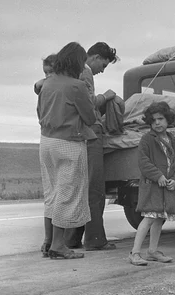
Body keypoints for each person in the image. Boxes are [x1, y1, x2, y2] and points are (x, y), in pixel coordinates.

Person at [37, 42, 96, 259]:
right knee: (67, 192)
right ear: (77, 63)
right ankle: (59, 246)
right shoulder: (76, 86)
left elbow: (39, 112)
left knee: (51, 192)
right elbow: (90, 117)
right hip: (69, 143)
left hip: (46, 142)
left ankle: (47, 241)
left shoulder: (47, 83)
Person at [64, 42, 122, 251]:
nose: (102, 70)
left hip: (73, 134)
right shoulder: (86, 72)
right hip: (91, 133)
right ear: (95, 57)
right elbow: (88, 103)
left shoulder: (69, 72)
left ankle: (72, 238)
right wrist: (106, 97)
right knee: (95, 188)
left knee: (80, 187)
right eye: (104, 65)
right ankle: (95, 239)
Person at [129, 102, 175, 266]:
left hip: (167, 187)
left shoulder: (173, 140)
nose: (157, 123)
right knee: (149, 218)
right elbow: (144, 163)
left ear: (168, 120)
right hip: (152, 186)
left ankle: (152, 251)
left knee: (160, 218)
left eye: (161, 119)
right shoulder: (147, 140)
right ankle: (135, 252)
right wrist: (158, 176)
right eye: (153, 121)